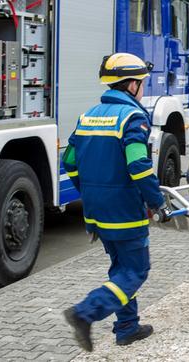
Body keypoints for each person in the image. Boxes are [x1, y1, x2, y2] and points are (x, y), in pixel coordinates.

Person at [62, 53, 168, 351]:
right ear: (131, 85)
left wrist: (89, 190)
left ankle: (127, 327)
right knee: (136, 271)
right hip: (125, 211)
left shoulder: (89, 115)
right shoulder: (133, 118)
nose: (143, 88)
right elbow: (138, 166)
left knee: (120, 268)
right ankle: (84, 313)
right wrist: (156, 201)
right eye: (142, 83)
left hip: (96, 212)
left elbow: (68, 160)